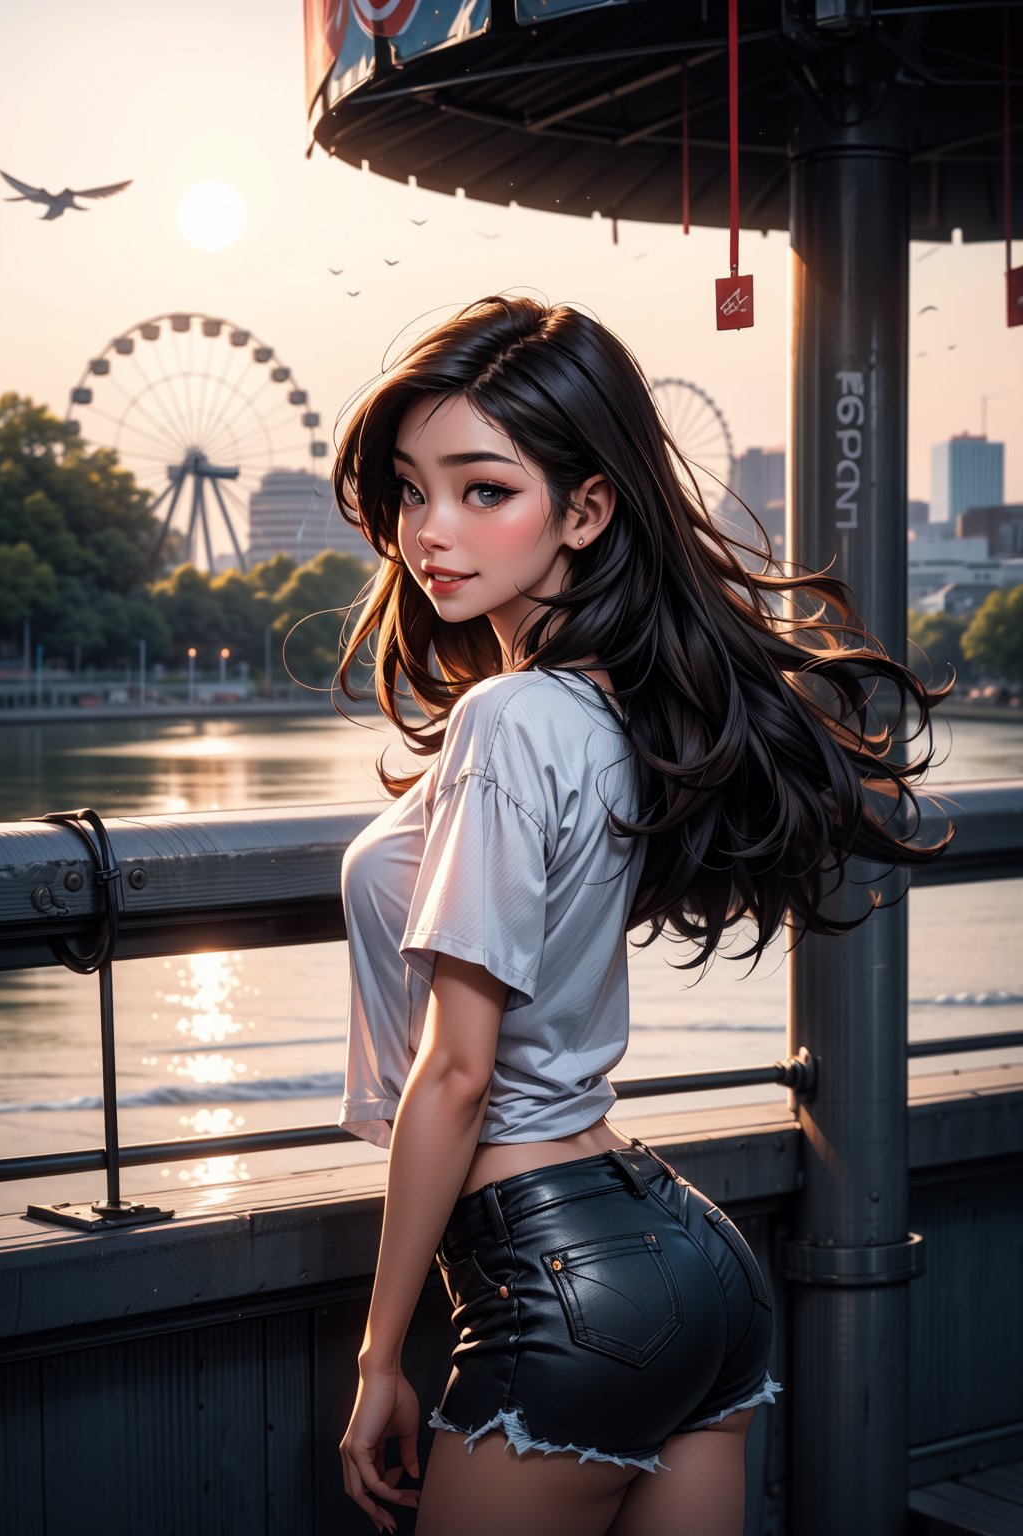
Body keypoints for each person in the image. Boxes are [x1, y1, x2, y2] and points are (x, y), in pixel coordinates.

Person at [330, 295, 954, 1536]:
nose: (430, 533)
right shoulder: (620, 711)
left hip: (551, 1275)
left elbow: (456, 1076)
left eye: (482, 490)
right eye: (410, 490)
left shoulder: (508, 722)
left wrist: (378, 1358)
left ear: (590, 507)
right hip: (684, 1261)